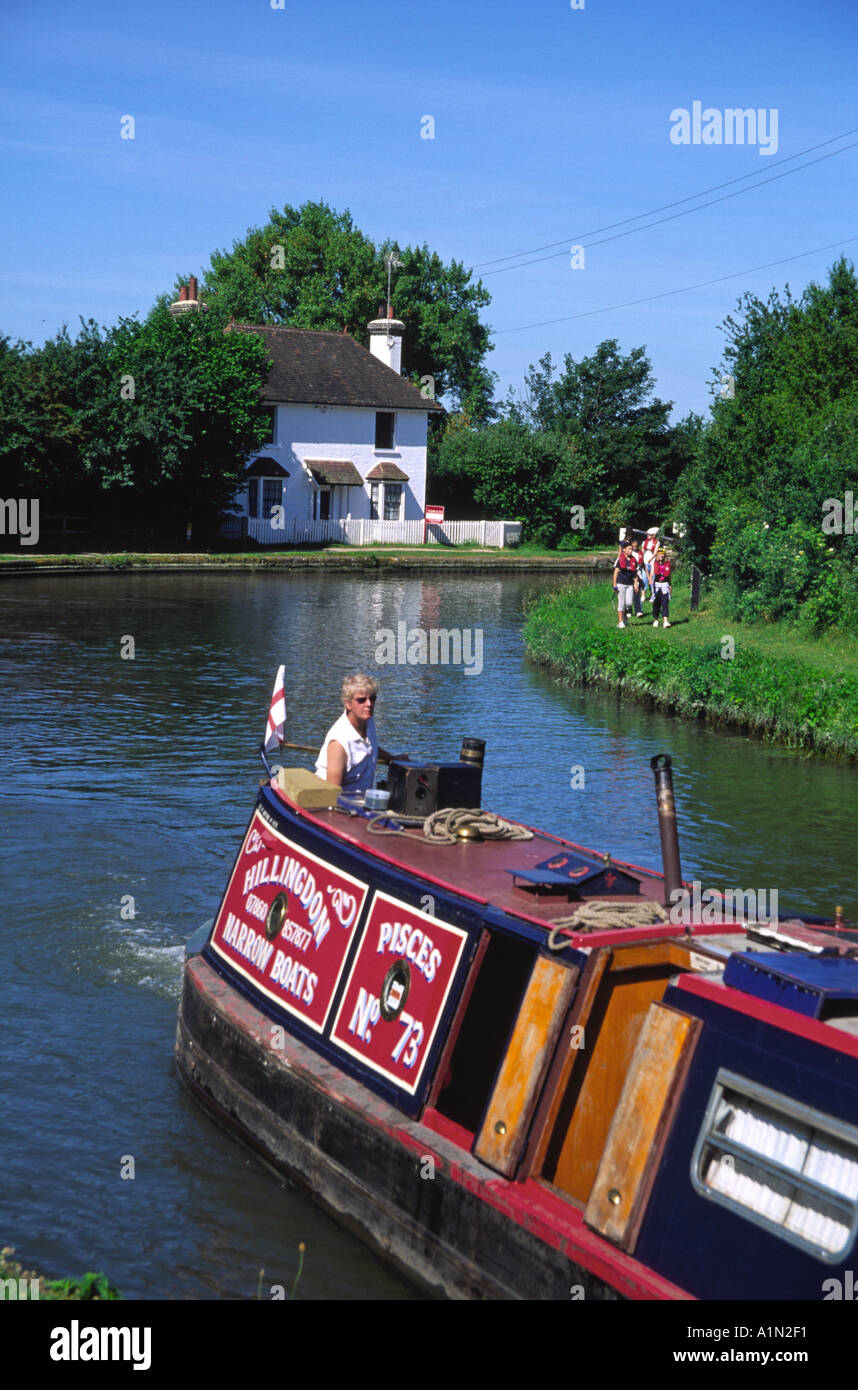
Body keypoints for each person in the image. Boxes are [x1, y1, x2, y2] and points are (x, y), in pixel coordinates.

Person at [315, 674, 401, 794]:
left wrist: (392, 758)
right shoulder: (339, 743)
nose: (369, 704)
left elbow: (369, 747)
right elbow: (332, 795)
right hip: (340, 804)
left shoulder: (367, 718)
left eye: (372, 699)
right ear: (348, 704)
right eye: (361, 700)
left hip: (363, 801)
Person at [613, 538, 640, 629]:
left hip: (630, 585)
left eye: (632, 549)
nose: (631, 550)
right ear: (624, 549)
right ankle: (620, 622)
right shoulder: (620, 559)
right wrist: (614, 585)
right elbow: (615, 573)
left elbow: (635, 573)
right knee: (621, 604)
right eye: (629, 549)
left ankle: (624, 617)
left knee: (628, 604)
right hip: (621, 583)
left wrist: (636, 584)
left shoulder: (634, 560)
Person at [652, 546, 672, 628]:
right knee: (656, 603)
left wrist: (670, 585)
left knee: (665, 603)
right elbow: (651, 574)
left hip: (665, 585)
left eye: (663, 554)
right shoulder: (654, 563)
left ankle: (665, 621)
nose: (661, 556)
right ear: (657, 555)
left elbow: (669, 576)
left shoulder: (667, 564)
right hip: (657, 585)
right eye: (660, 554)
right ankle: (656, 619)